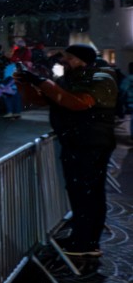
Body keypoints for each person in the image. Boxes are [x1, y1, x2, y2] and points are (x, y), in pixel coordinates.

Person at [15, 43, 118, 257]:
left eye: (69, 58)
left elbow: (76, 102)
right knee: (81, 193)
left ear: (83, 60)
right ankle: (84, 239)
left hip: (90, 144)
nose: (64, 61)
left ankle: (85, 243)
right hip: (77, 143)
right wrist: (25, 84)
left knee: (87, 194)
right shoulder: (71, 79)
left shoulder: (101, 78)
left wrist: (42, 82)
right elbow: (39, 100)